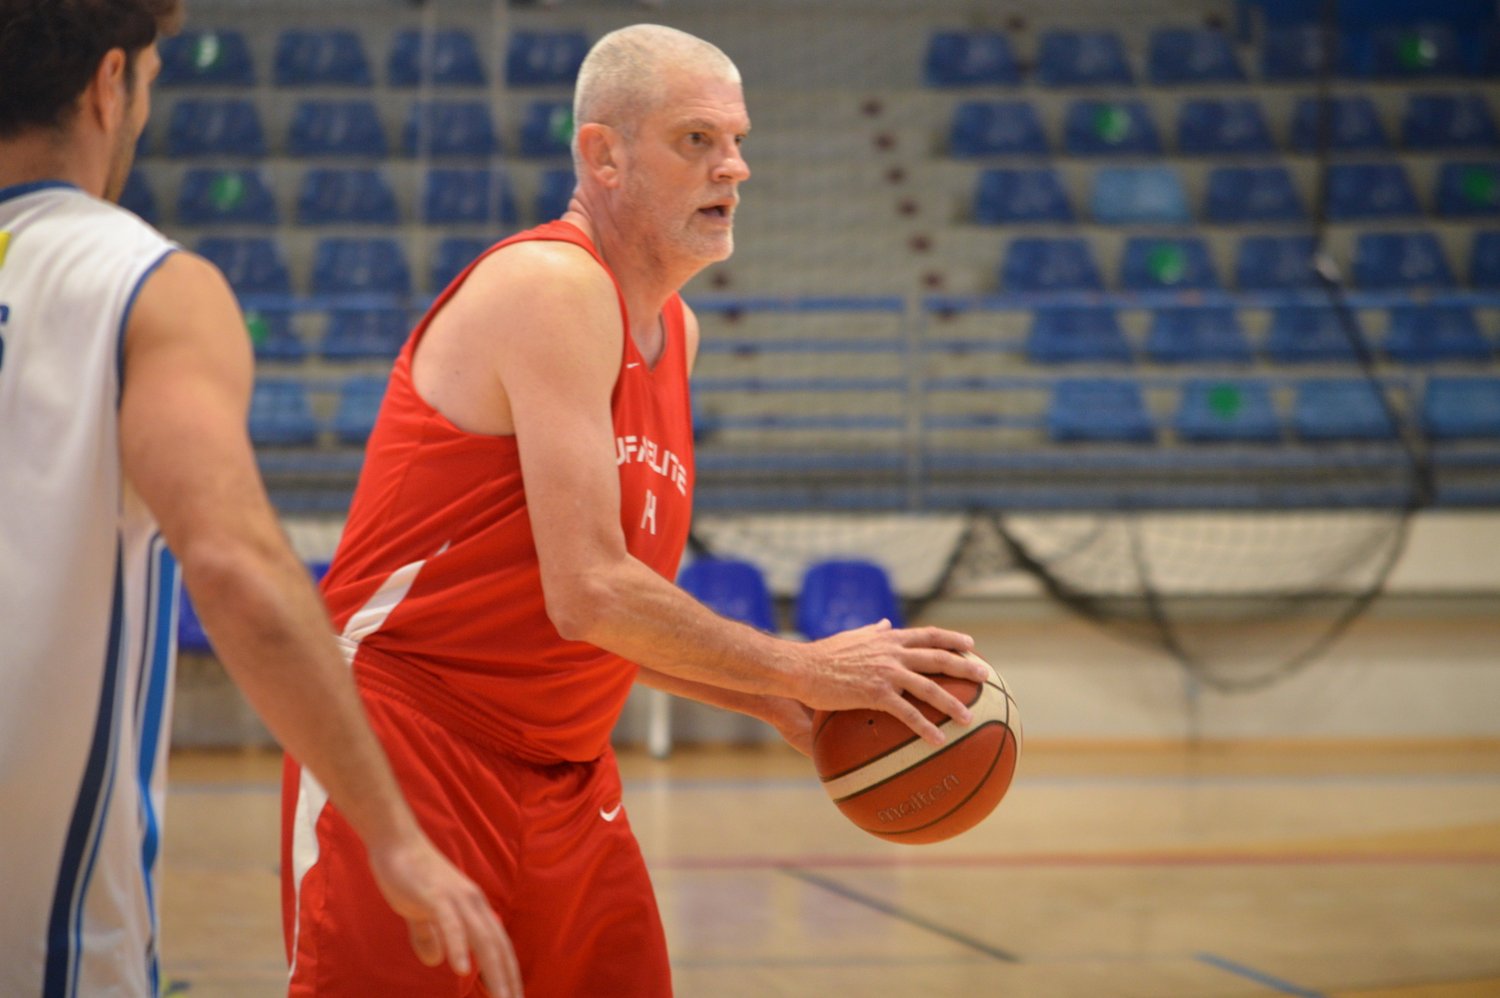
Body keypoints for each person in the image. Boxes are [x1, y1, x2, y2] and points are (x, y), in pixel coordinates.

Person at [281, 22, 989, 997]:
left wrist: (779, 700)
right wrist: (807, 663)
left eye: (738, 141)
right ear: (601, 155)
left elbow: (612, 616)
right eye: (695, 140)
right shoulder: (551, 282)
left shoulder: (676, 333)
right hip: (407, 744)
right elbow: (590, 591)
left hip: (565, 769)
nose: (733, 167)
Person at [0, 3, 521, 995]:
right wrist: (393, 832)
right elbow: (234, 566)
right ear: (112, 84)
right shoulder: (141, 283)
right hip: (44, 938)